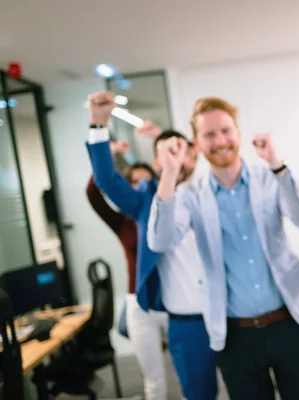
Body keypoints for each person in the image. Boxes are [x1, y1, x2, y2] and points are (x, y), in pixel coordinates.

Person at [147, 97, 299, 400]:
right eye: (209, 135)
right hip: (235, 337)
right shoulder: (189, 194)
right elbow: (160, 242)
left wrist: (277, 164)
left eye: (226, 131)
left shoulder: (270, 177)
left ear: (238, 133)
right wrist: (169, 173)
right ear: (197, 144)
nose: (220, 141)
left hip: (289, 323)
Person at [85, 91, 217, 400]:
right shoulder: (145, 197)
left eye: (182, 151)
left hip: (229, 313)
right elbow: (106, 180)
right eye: (166, 153)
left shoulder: (212, 191)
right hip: (176, 315)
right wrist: (98, 124)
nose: (176, 158)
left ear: (193, 155)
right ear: (157, 162)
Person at [86, 149, 168, 399]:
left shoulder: (168, 215)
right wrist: (107, 155)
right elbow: (93, 194)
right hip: (139, 303)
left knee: (191, 371)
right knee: (153, 379)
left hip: (170, 301)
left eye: (146, 182)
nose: (141, 188)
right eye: (134, 182)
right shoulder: (122, 222)